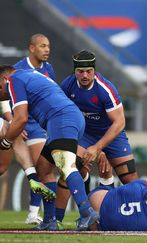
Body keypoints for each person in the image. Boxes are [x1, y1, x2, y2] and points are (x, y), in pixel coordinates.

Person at [0, 65, 99, 231]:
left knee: (66, 165)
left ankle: (86, 211)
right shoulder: (30, 74)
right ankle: (50, 220)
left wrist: (6, 141)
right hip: (66, 118)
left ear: (4, 79)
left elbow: (21, 118)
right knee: (43, 169)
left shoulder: (13, 80)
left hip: (61, 118)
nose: (2, 92)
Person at [53, 50, 139, 223]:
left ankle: (146, 216)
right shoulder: (68, 85)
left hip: (112, 133)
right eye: (80, 71)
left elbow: (120, 122)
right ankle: (57, 221)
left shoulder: (105, 89)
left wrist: (97, 148)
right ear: (75, 71)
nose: (85, 75)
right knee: (68, 167)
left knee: (130, 179)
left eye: (89, 71)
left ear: (94, 70)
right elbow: (59, 111)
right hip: (86, 133)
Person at [0, 33, 56, 225]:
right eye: (42, 46)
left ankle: (34, 213)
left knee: (42, 168)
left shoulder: (49, 69)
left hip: (41, 123)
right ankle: (36, 213)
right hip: (25, 123)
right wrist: (13, 122)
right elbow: (7, 98)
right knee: (43, 168)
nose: (47, 49)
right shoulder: (17, 70)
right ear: (31, 48)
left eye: (48, 46)